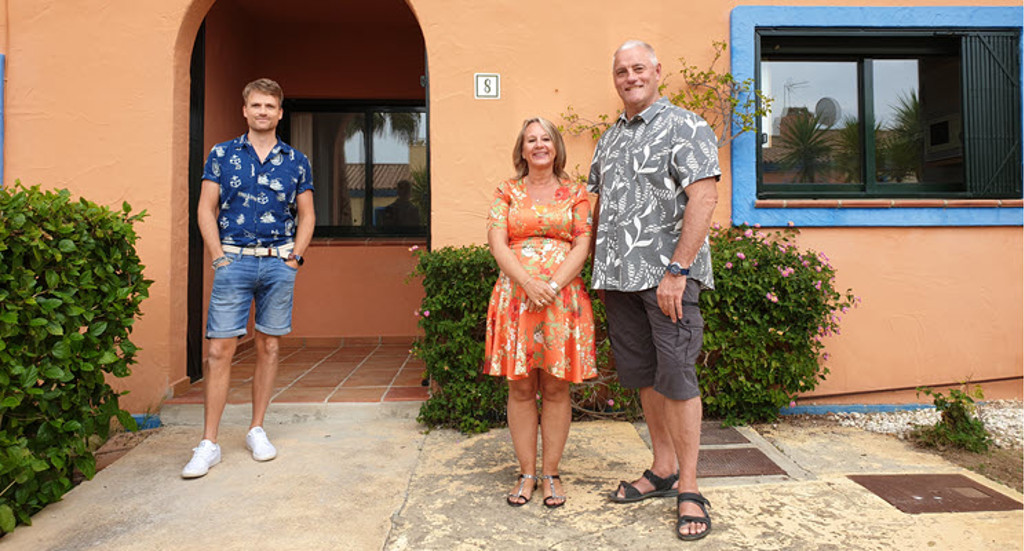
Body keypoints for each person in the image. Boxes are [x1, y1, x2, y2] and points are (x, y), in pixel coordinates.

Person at [588, 41, 720, 541]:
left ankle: (690, 487)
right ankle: (662, 467)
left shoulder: (685, 125)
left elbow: (703, 195)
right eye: (621, 70)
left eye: (638, 68)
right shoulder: (608, 138)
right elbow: (598, 208)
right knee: (644, 375)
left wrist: (678, 269)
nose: (629, 77)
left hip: (667, 280)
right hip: (619, 278)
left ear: (658, 72)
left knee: (677, 376)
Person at [182, 78, 315, 479]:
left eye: (270, 106)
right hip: (234, 262)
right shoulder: (222, 155)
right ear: (245, 110)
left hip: (278, 263)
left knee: (269, 347)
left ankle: (257, 429)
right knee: (219, 351)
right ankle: (209, 443)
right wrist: (218, 257)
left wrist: (295, 259)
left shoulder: (296, 160)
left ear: (279, 112)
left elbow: (307, 214)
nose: (262, 112)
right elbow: (206, 208)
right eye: (256, 105)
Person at [484, 117, 597, 508]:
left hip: (561, 301)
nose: (538, 145)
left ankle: (551, 474)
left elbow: (583, 245)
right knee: (520, 387)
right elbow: (498, 243)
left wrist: (550, 286)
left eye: (545, 138)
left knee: (555, 387)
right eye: (530, 139)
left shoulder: (576, 192)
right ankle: (526, 473)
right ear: (522, 149)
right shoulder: (507, 190)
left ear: (556, 146)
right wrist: (528, 284)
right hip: (516, 298)